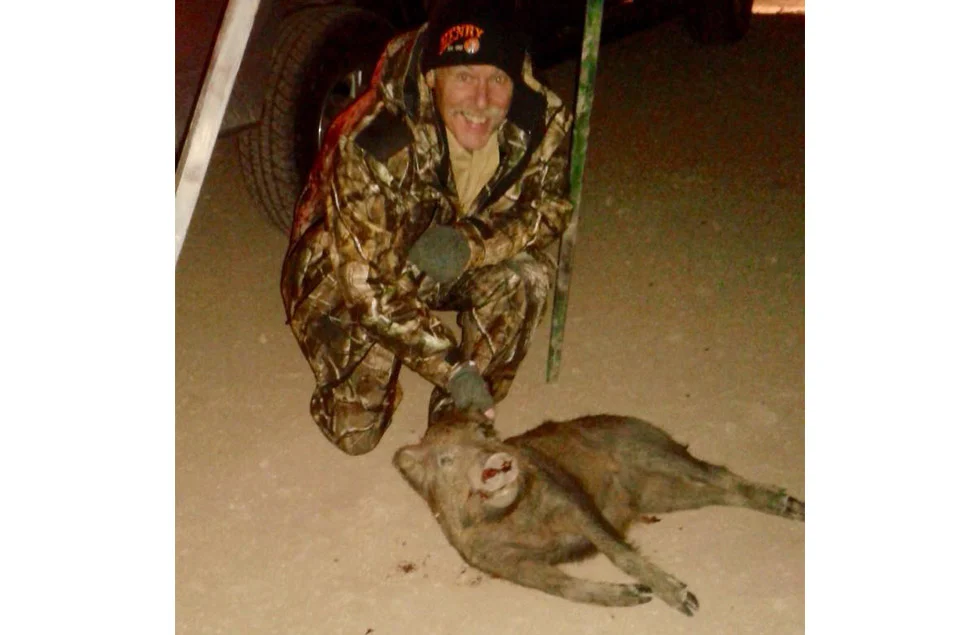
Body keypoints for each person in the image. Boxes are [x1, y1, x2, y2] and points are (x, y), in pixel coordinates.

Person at [280, 0, 573, 455]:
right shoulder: (377, 137)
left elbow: (551, 208)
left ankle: (459, 416)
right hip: (350, 263)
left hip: (445, 258)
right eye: (464, 77)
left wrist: (472, 244)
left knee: (527, 277)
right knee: (355, 434)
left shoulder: (541, 119)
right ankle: (412, 355)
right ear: (434, 77)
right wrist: (451, 367)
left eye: (498, 79)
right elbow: (366, 281)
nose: (481, 101)